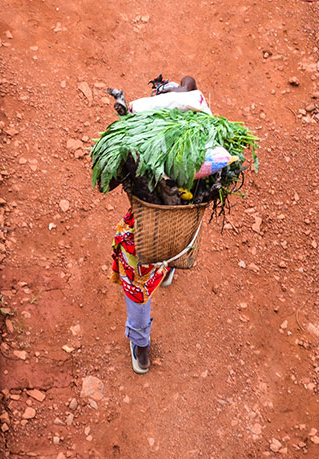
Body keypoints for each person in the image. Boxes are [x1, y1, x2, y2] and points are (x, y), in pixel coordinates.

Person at [106, 76, 198, 374]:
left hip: (145, 231)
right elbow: (189, 84)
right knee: (176, 230)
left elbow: (111, 180)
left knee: (136, 280)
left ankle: (142, 347)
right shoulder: (201, 145)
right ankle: (169, 269)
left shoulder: (145, 145)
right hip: (183, 227)